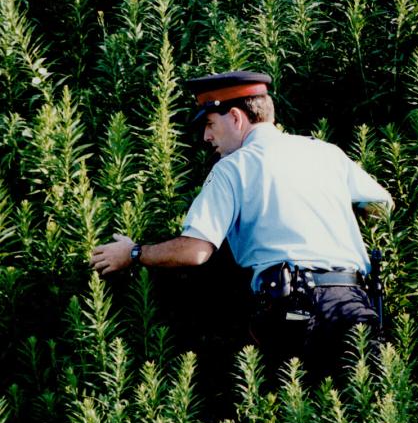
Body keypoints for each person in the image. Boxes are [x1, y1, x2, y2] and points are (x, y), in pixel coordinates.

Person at [90, 70, 393, 383]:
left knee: (295, 416)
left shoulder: (233, 168)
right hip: (354, 303)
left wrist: (134, 253)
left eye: (210, 124)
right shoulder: (326, 153)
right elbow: (382, 206)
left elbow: (195, 251)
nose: (207, 137)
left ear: (235, 117)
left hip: (294, 308)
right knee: (362, 414)